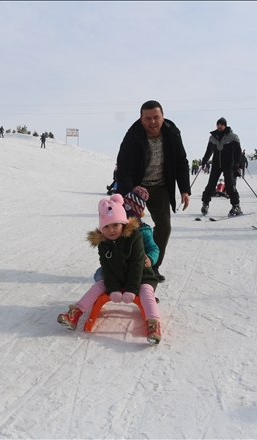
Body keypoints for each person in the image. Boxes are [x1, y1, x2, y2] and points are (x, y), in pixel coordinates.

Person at [57, 194, 161, 344]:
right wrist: (113, 289)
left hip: (141, 276)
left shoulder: (135, 237)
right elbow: (106, 267)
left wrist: (131, 290)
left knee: (146, 293)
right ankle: (75, 313)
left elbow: (136, 265)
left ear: (123, 224)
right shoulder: (103, 243)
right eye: (106, 226)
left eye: (115, 225)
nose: (111, 230)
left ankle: (153, 324)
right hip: (117, 277)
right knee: (98, 285)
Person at [115, 100, 190, 282]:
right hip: (136, 189)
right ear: (141, 119)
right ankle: (123, 268)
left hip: (160, 187)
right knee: (129, 229)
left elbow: (181, 162)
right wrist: (128, 196)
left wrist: (184, 189)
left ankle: (152, 267)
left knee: (164, 226)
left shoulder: (172, 134)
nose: (153, 122)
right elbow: (123, 169)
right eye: (148, 118)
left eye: (156, 117)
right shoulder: (132, 137)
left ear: (163, 117)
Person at [200, 117, 242, 217]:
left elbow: (238, 152)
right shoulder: (213, 137)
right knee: (210, 185)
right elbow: (209, 150)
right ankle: (205, 204)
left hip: (228, 165)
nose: (219, 126)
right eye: (218, 124)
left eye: (221, 124)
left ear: (225, 125)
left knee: (230, 185)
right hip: (216, 165)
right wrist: (205, 159)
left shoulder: (233, 137)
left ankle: (236, 205)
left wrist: (237, 164)